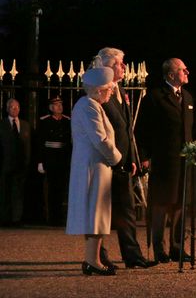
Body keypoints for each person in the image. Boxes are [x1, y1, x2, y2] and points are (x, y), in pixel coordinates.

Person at [96, 47, 157, 269]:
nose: (123, 67)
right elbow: (102, 131)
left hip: (123, 162)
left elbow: (127, 130)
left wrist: (133, 157)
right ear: (107, 67)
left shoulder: (120, 90)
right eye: (120, 63)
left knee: (127, 210)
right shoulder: (99, 92)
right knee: (101, 212)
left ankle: (132, 255)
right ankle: (98, 256)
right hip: (105, 161)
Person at [136, 58, 193, 263]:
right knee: (160, 204)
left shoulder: (187, 97)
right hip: (162, 160)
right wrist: (144, 157)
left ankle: (177, 247)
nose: (187, 71)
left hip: (183, 162)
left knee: (180, 204)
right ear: (170, 74)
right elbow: (140, 130)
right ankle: (159, 248)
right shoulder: (155, 97)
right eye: (182, 69)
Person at [66, 66, 121, 276]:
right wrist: (117, 158)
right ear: (99, 90)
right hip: (93, 167)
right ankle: (92, 261)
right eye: (109, 89)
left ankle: (93, 259)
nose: (111, 93)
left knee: (96, 214)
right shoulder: (88, 106)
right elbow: (100, 139)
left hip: (96, 166)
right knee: (94, 214)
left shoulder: (91, 105)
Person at [35, 96, 72, 226]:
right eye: (56, 105)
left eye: (61, 104)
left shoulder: (67, 121)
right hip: (50, 159)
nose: (59, 107)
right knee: (51, 189)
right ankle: (51, 217)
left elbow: (69, 143)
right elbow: (40, 142)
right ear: (51, 108)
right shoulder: (45, 121)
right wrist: (40, 161)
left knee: (62, 188)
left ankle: (60, 216)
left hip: (63, 158)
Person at [0, 99, 32, 227]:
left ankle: (17, 219)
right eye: (12, 107)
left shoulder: (25, 125)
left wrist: (27, 162)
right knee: (5, 192)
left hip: (21, 165)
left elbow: (28, 145)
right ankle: (5, 218)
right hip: (5, 165)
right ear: (7, 109)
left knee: (18, 192)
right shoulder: (2, 125)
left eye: (17, 107)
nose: (15, 109)